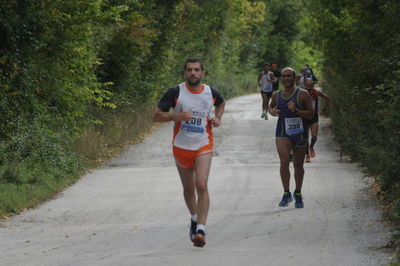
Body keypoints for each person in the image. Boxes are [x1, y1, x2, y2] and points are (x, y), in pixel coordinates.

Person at [153, 58, 225, 248]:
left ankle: (201, 228)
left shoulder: (211, 92)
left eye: (197, 70)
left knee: (201, 185)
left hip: (203, 144)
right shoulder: (176, 92)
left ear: (203, 73)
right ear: (184, 73)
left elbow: (221, 103)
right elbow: (156, 115)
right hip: (181, 146)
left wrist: (217, 117)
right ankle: (194, 217)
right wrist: (175, 116)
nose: (193, 73)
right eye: (189, 70)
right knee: (188, 189)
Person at [269, 67, 314, 208]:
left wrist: (297, 110)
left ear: (295, 78)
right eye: (284, 76)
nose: (286, 78)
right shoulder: (276, 95)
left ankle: (298, 193)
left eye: (289, 75)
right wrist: (273, 111)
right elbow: (270, 108)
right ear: (281, 78)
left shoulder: (303, 94)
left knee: (298, 165)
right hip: (282, 132)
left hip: (300, 133)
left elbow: (311, 114)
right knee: (284, 161)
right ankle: (286, 192)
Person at [303, 78, 329, 162]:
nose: (309, 89)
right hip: (304, 117)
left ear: (313, 86)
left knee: (314, 137)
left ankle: (311, 147)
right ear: (304, 85)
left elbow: (327, 98)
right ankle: (307, 155)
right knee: (305, 137)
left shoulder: (316, 92)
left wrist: (324, 109)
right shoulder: (301, 93)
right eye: (307, 87)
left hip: (314, 117)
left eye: (310, 87)